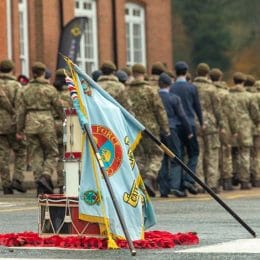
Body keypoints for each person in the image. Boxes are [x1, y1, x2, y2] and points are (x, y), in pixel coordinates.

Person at [16, 61, 65, 195]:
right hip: (46, 122)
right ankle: (46, 175)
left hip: (30, 122)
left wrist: (19, 129)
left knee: (35, 154)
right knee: (52, 153)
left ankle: (40, 185)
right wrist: (65, 120)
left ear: (33, 73)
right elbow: (59, 108)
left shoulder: (24, 89)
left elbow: (20, 111)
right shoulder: (50, 89)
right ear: (43, 73)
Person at [128, 64, 170, 197]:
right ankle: (149, 177)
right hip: (150, 128)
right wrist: (165, 128)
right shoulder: (150, 90)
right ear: (143, 73)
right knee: (156, 153)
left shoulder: (125, 90)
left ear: (133, 73)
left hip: (133, 127)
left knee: (138, 156)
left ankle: (139, 183)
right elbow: (159, 110)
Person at [170, 61, 203, 195]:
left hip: (175, 125)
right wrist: (201, 121)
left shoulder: (171, 88)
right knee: (194, 153)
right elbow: (197, 106)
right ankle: (189, 179)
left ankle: (177, 185)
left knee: (178, 155)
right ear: (187, 71)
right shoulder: (192, 88)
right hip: (189, 124)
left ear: (175, 72)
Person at [157, 73, 193, 197]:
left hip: (156, 131)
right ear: (170, 84)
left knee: (161, 158)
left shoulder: (155, 97)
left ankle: (163, 189)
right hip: (172, 129)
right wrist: (189, 131)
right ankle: (175, 186)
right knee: (175, 157)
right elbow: (182, 116)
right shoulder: (174, 98)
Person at [193, 63, 224, 193]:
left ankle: (199, 184)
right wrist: (221, 124)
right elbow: (217, 109)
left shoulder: (192, 87)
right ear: (207, 73)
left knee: (199, 154)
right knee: (212, 154)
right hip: (210, 124)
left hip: (195, 123)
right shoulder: (212, 89)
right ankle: (212, 183)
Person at [0, 59, 27, 194]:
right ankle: (17, 179)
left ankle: (5, 184)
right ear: (12, 70)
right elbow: (20, 107)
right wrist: (20, 128)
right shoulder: (16, 86)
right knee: (21, 151)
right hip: (12, 124)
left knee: (2, 155)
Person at [229, 72, 259, 189]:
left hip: (231, 128)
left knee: (233, 153)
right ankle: (245, 180)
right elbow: (255, 113)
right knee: (245, 153)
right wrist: (256, 123)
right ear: (243, 82)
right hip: (246, 127)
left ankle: (234, 176)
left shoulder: (228, 94)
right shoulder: (249, 96)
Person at [209, 68, 234, 191]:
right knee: (226, 152)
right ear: (220, 77)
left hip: (210, 125)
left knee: (212, 153)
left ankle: (214, 179)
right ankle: (227, 179)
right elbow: (231, 112)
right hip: (225, 126)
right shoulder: (225, 93)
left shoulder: (207, 90)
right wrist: (234, 128)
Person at [53, 69, 73, 193]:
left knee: (59, 156)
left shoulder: (52, 92)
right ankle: (68, 183)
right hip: (69, 124)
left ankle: (60, 184)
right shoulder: (72, 93)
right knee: (69, 155)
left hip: (53, 125)